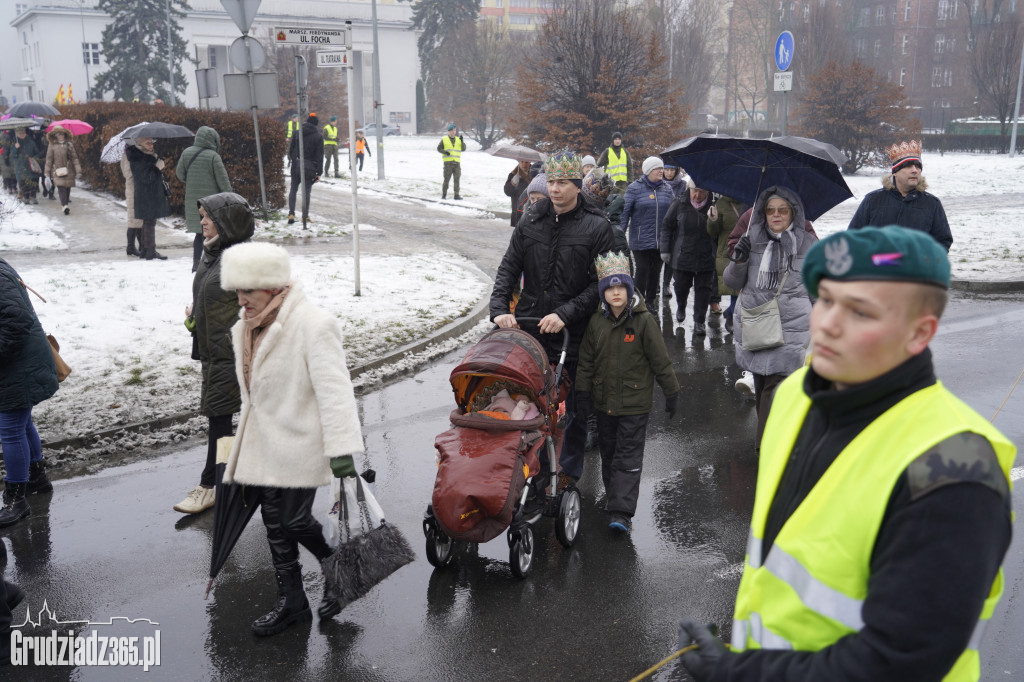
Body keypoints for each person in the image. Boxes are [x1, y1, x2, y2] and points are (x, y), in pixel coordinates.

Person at [679, 226, 1015, 682]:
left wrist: (741, 672)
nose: (829, 324)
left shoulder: (954, 465)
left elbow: (904, 661)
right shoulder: (797, 393)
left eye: (861, 312)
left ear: (920, 332)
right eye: (827, 300)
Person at [219, 242, 365, 635]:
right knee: (273, 523)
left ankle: (340, 567)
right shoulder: (244, 328)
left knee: (293, 519)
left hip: (303, 440)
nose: (242, 299)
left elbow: (334, 390)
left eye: (249, 290)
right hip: (264, 442)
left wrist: (341, 451)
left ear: (273, 286)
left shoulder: (313, 324)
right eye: (237, 290)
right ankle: (292, 601)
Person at [490, 152, 615, 493]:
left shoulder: (597, 226)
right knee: (526, 401)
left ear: (577, 185)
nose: (555, 189)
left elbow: (603, 285)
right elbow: (509, 267)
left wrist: (565, 314)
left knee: (574, 409)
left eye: (563, 183)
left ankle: (567, 474)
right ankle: (531, 467)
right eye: (552, 182)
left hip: (574, 331)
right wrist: (500, 306)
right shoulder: (532, 219)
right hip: (530, 326)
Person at [575, 251, 679, 533]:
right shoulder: (596, 322)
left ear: (630, 289)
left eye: (621, 287)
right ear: (603, 292)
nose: (616, 292)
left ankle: (621, 511)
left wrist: (671, 392)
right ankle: (614, 498)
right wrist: (582, 394)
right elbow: (586, 362)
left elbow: (660, 360)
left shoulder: (643, 322)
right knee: (608, 453)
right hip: (603, 402)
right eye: (610, 288)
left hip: (635, 403)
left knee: (628, 455)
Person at [173, 192, 255, 515]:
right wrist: (196, 314)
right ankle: (238, 479)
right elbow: (214, 298)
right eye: (202, 216)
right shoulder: (213, 253)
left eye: (207, 216)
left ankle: (211, 486)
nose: (202, 222)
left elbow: (260, 307)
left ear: (226, 223)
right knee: (224, 417)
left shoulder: (241, 262)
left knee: (219, 417)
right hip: (212, 351)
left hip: (231, 353)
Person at [724, 187, 817, 446]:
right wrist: (739, 258)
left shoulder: (808, 244)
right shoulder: (751, 237)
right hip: (756, 321)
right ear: (763, 212)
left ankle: (766, 448)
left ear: (793, 212)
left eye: (782, 210)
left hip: (791, 325)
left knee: (774, 387)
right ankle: (772, 441)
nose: (776, 215)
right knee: (763, 386)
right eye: (770, 210)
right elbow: (731, 281)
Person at [0, 257, 58, 529]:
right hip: (22, 361)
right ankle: (37, 479)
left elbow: (17, 321)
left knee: (10, 428)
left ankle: (16, 500)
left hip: (18, 365)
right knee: (22, 423)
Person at [848, 140, 953, 251]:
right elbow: (853, 236)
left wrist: (925, 261)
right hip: (878, 266)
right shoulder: (873, 200)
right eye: (908, 166)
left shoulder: (932, 203)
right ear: (895, 172)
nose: (914, 171)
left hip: (915, 267)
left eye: (918, 167)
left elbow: (943, 241)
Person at [661, 180, 716, 333]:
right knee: (681, 286)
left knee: (704, 290)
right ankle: (681, 305)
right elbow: (666, 226)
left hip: (706, 256)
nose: (698, 195)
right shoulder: (679, 203)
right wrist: (665, 250)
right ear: (689, 189)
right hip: (683, 256)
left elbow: (719, 231)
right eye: (694, 191)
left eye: (702, 192)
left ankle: (699, 321)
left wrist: (714, 220)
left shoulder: (714, 205)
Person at [621, 156, 675, 314]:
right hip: (640, 239)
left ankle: (651, 301)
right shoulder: (634, 188)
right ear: (648, 171)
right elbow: (625, 213)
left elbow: (673, 214)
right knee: (642, 269)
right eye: (657, 168)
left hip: (661, 240)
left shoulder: (667, 188)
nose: (661, 171)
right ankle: (637, 299)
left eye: (661, 168)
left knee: (655, 271)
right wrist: (619, 235)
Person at [176, 126, 232, 272]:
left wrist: (193, 181)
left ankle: (196, 263)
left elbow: (180, 174)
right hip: (212, 202)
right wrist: (230, 197)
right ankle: (211, 263)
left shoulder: (187, 153)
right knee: (213, 233)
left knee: (199, 233)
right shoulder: (213, 157)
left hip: (193, 200)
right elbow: (223, 182)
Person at [124, 137, 170, 260]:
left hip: (148, 193)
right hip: (146, 193)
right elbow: (146, 177)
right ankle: (150, 251)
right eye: (147, 143)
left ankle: (145, 250)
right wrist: (157, 167)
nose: (151, 145)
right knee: (149, 221)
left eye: (152, 143)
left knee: (148, 222)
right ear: (140, 144)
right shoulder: (138, 157)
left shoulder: (145, 155)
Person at [706, 194, 746, 333]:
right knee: (735, 288)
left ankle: (730, 313)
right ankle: (732, 318)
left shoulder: (752, 202)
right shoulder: (721, 204)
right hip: (728, 251)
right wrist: (713, 219)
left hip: (748, 250)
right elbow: (712, 232)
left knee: (744, 289)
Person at [287, 114, 324, 228]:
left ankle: (291, 214)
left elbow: (290, 150)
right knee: (306, 191)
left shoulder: (297, 132)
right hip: (309, 167)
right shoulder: (318, 136)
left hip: (296, 166)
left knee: (293, 189)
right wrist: (319, 172)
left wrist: (294, 161)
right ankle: (305, 216)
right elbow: (320, 156)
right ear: (316, 125)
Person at [43, 125, 82, 216]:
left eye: (62, 134)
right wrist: (47, 173)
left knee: (67, 188)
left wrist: (78, 171)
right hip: (57, 171)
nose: (60, 136)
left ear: (64, 134)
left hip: (69, 170)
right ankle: (64, 206)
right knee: (61, 188)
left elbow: (75, 159)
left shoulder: (69, 145)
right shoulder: (52, 145)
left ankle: (66, 204)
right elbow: (49, 160)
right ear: (55, 135)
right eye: (58, 134)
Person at [9, 127, 41, 204]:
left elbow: (37, 153)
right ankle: (26, 197)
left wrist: (34, 158)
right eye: (20, 133)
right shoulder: (14, 144)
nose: (22, 135)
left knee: (33, 181)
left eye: (23, 133)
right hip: (20, 166)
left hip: (30, 166)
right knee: (22, 183)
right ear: (17, 134)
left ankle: (33, 197)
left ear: (25, 133)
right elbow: (12, 156)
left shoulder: (31, 142)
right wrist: (16, 148)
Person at [437, 124, 465, 200]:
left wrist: (462, 141)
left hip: (456, 163)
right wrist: (445, 152)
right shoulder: (444, 139)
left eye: (455, 130)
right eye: (452, 130)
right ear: (449, 131)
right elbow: (439, 148)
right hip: (448, 163)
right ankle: (444, 195)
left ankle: (456, 195)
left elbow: (463, 149)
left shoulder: (459, 139)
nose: (453, 132)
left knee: (457, 180)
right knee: (446, 180)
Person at [503, 159, 532, 227]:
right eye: (522, 161)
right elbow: (507, 192)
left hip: (530, 212)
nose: (524, 164)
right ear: (518, 161)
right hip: (517, 212)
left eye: (526, 162)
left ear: (530, 162)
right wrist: (513, 183)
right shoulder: (513, 174)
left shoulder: (535, 173)